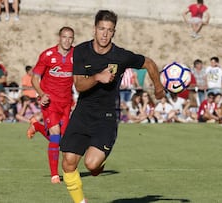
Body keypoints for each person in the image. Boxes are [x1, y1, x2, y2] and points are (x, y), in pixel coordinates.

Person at [59, 10, 165, 203]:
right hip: (82, 114)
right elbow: (79, 85)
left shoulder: (121, 56)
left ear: (114, 32)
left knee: (91, 165)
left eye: (109, 30)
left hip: (105, 117)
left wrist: (158, 87)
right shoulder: (81, 51)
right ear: (94, 29)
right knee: (68, 163)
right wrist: (98, 77)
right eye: (101, 29)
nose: (105, 34)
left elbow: (148, 63)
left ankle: (99, 164)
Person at [26, 26, 75, 184]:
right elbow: (35, 78)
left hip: (66, 102)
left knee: (62, 140)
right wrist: (42, 94)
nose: (67, 40)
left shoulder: (77, 55)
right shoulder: (48, 55)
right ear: (59, 38)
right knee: (55, 136)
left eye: (70, 38)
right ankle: (55, 175)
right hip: (50, 102)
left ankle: (37, 126)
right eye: (64, 37)